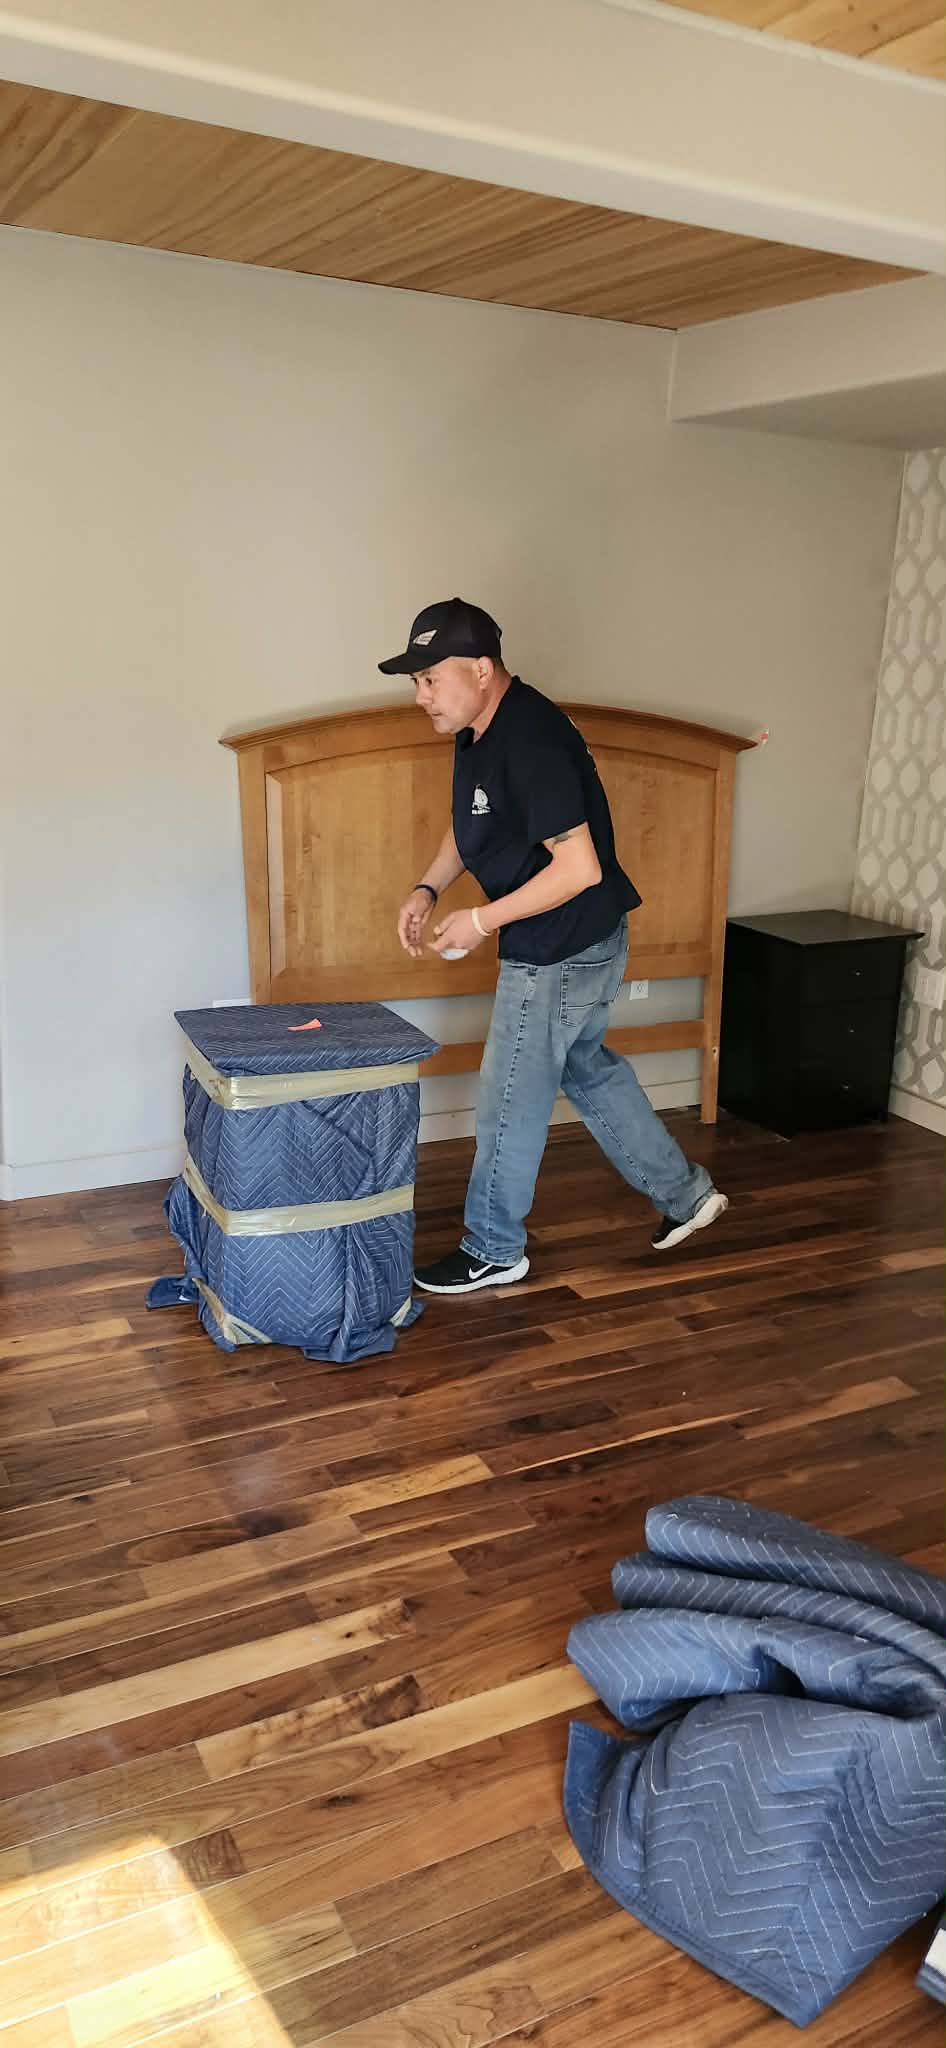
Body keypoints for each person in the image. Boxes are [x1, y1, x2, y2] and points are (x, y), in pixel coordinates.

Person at [380, 597, 728, 1295]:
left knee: (509, 1093)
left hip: (563, 942)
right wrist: (427, 888)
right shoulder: (479, 728)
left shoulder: (531, 739)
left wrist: (480, 922)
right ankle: (686, 1196)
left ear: (480, 670)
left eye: (429, 679)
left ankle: (493, 1246)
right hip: (571, 936)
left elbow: (579, 868)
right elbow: (470, 823)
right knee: (585, 1068)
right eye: (414, 682)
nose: (420, 697)